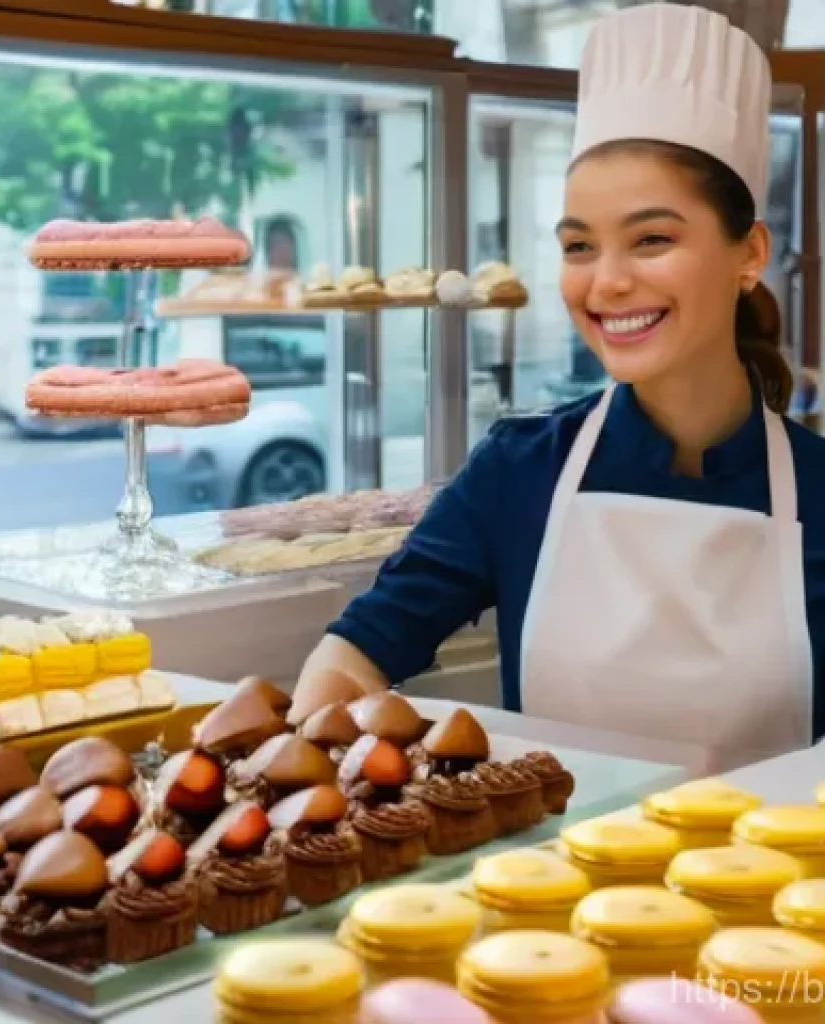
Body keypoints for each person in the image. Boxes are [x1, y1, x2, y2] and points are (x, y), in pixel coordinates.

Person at [292, 2, 825, 771]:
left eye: (652, 239)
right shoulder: (519, 470)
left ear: (749, 254)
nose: (606, 282)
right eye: (580, 245)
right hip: (549, 887)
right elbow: (356, 653)